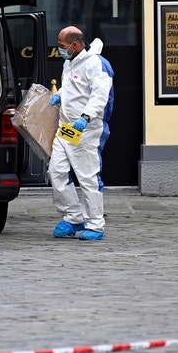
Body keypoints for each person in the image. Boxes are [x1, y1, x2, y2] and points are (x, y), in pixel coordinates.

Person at [49, 26, 113, 241]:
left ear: (75, 44)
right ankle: (73, 217)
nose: (59, 49)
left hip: (86, 130)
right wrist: (61, 96)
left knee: (88, 176)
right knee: (56, 171)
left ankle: (95, 224)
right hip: (67, 128)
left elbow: (99, 96)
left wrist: (85, 117)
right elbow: (71, 87)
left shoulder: (97, 64)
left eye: (62, 45)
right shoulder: (70, 62)